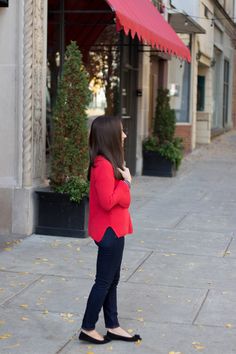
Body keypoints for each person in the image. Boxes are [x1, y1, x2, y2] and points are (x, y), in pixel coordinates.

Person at [79, 115, 141, 345]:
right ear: (110, 136)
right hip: (109, 232)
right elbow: (108, 201)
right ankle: (87, 327)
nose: (124, 135)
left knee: (111, 280)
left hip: (114, 229)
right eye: (121, 132)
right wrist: (126, 184)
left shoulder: (108, 162)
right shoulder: (103, 165)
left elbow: (118, 201)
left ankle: (113, 325)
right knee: (104, 281)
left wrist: (123, 186)